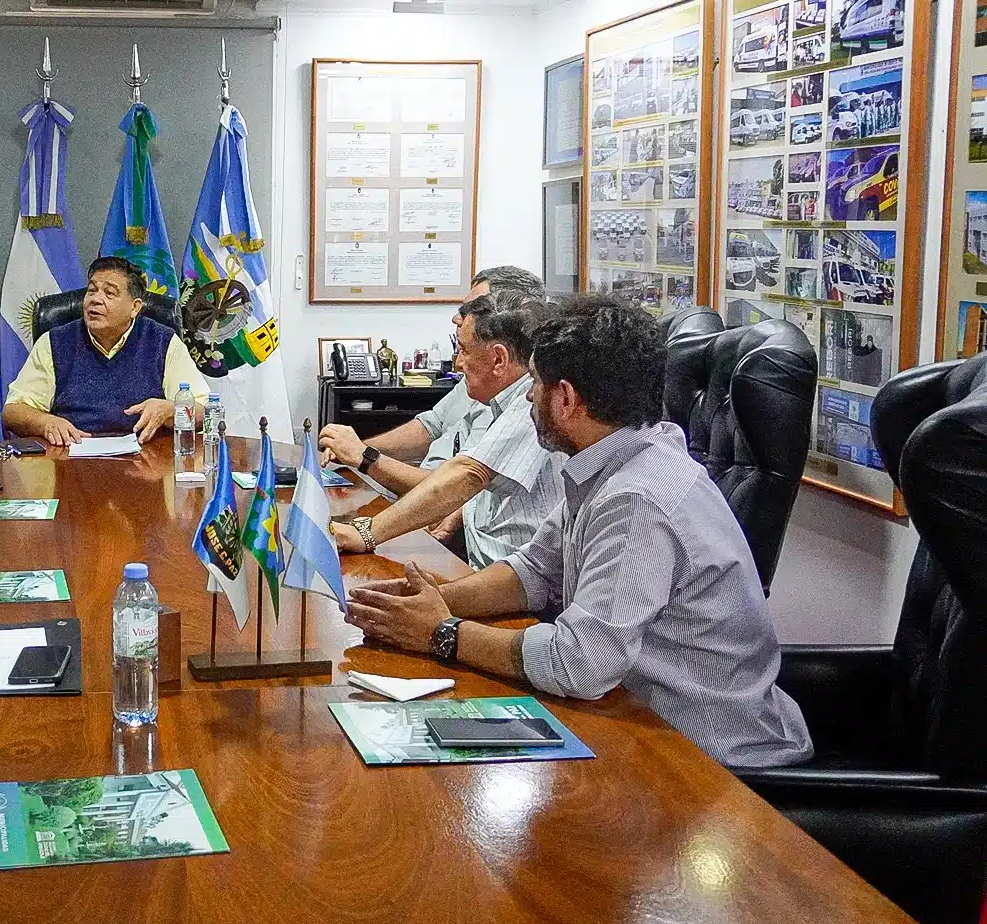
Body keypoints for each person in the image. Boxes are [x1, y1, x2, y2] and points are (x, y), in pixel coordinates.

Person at [345, 295, 813, 768]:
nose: (528, 398)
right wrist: (437, 601)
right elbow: (535, 571)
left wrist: (441, 633)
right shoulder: (617, 460)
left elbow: (580, 662)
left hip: (712, 768)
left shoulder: (638, 497)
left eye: (535, 385)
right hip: (635, 724)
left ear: (565, 399)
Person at [327, 289, 562, 571]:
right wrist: (464, 511)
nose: (459, 363)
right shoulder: (499, 396)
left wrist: (365, 533)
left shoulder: (530, 399)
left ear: (499, 359)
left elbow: (468, 475)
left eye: (464, 350)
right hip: (474, 555)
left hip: (508, 575)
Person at [317, 265, 544, 503]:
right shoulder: (477, 376)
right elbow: (430, 426)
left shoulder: (517, 399)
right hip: (415, 497)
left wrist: (364, 457)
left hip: (432, 505)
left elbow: (456, 488)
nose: (457, 317)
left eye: (473, 309)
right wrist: (354, 449)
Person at [2, 256, 210, 446]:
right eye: (92, 290)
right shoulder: (55, 342)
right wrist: (45, 422)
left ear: (134, 308)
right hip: (72, 462)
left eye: (109, 293)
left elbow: (204, 410)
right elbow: (13, 412)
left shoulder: (163, 342)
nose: (95, 299)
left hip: (145, 465)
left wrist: (169, 410)